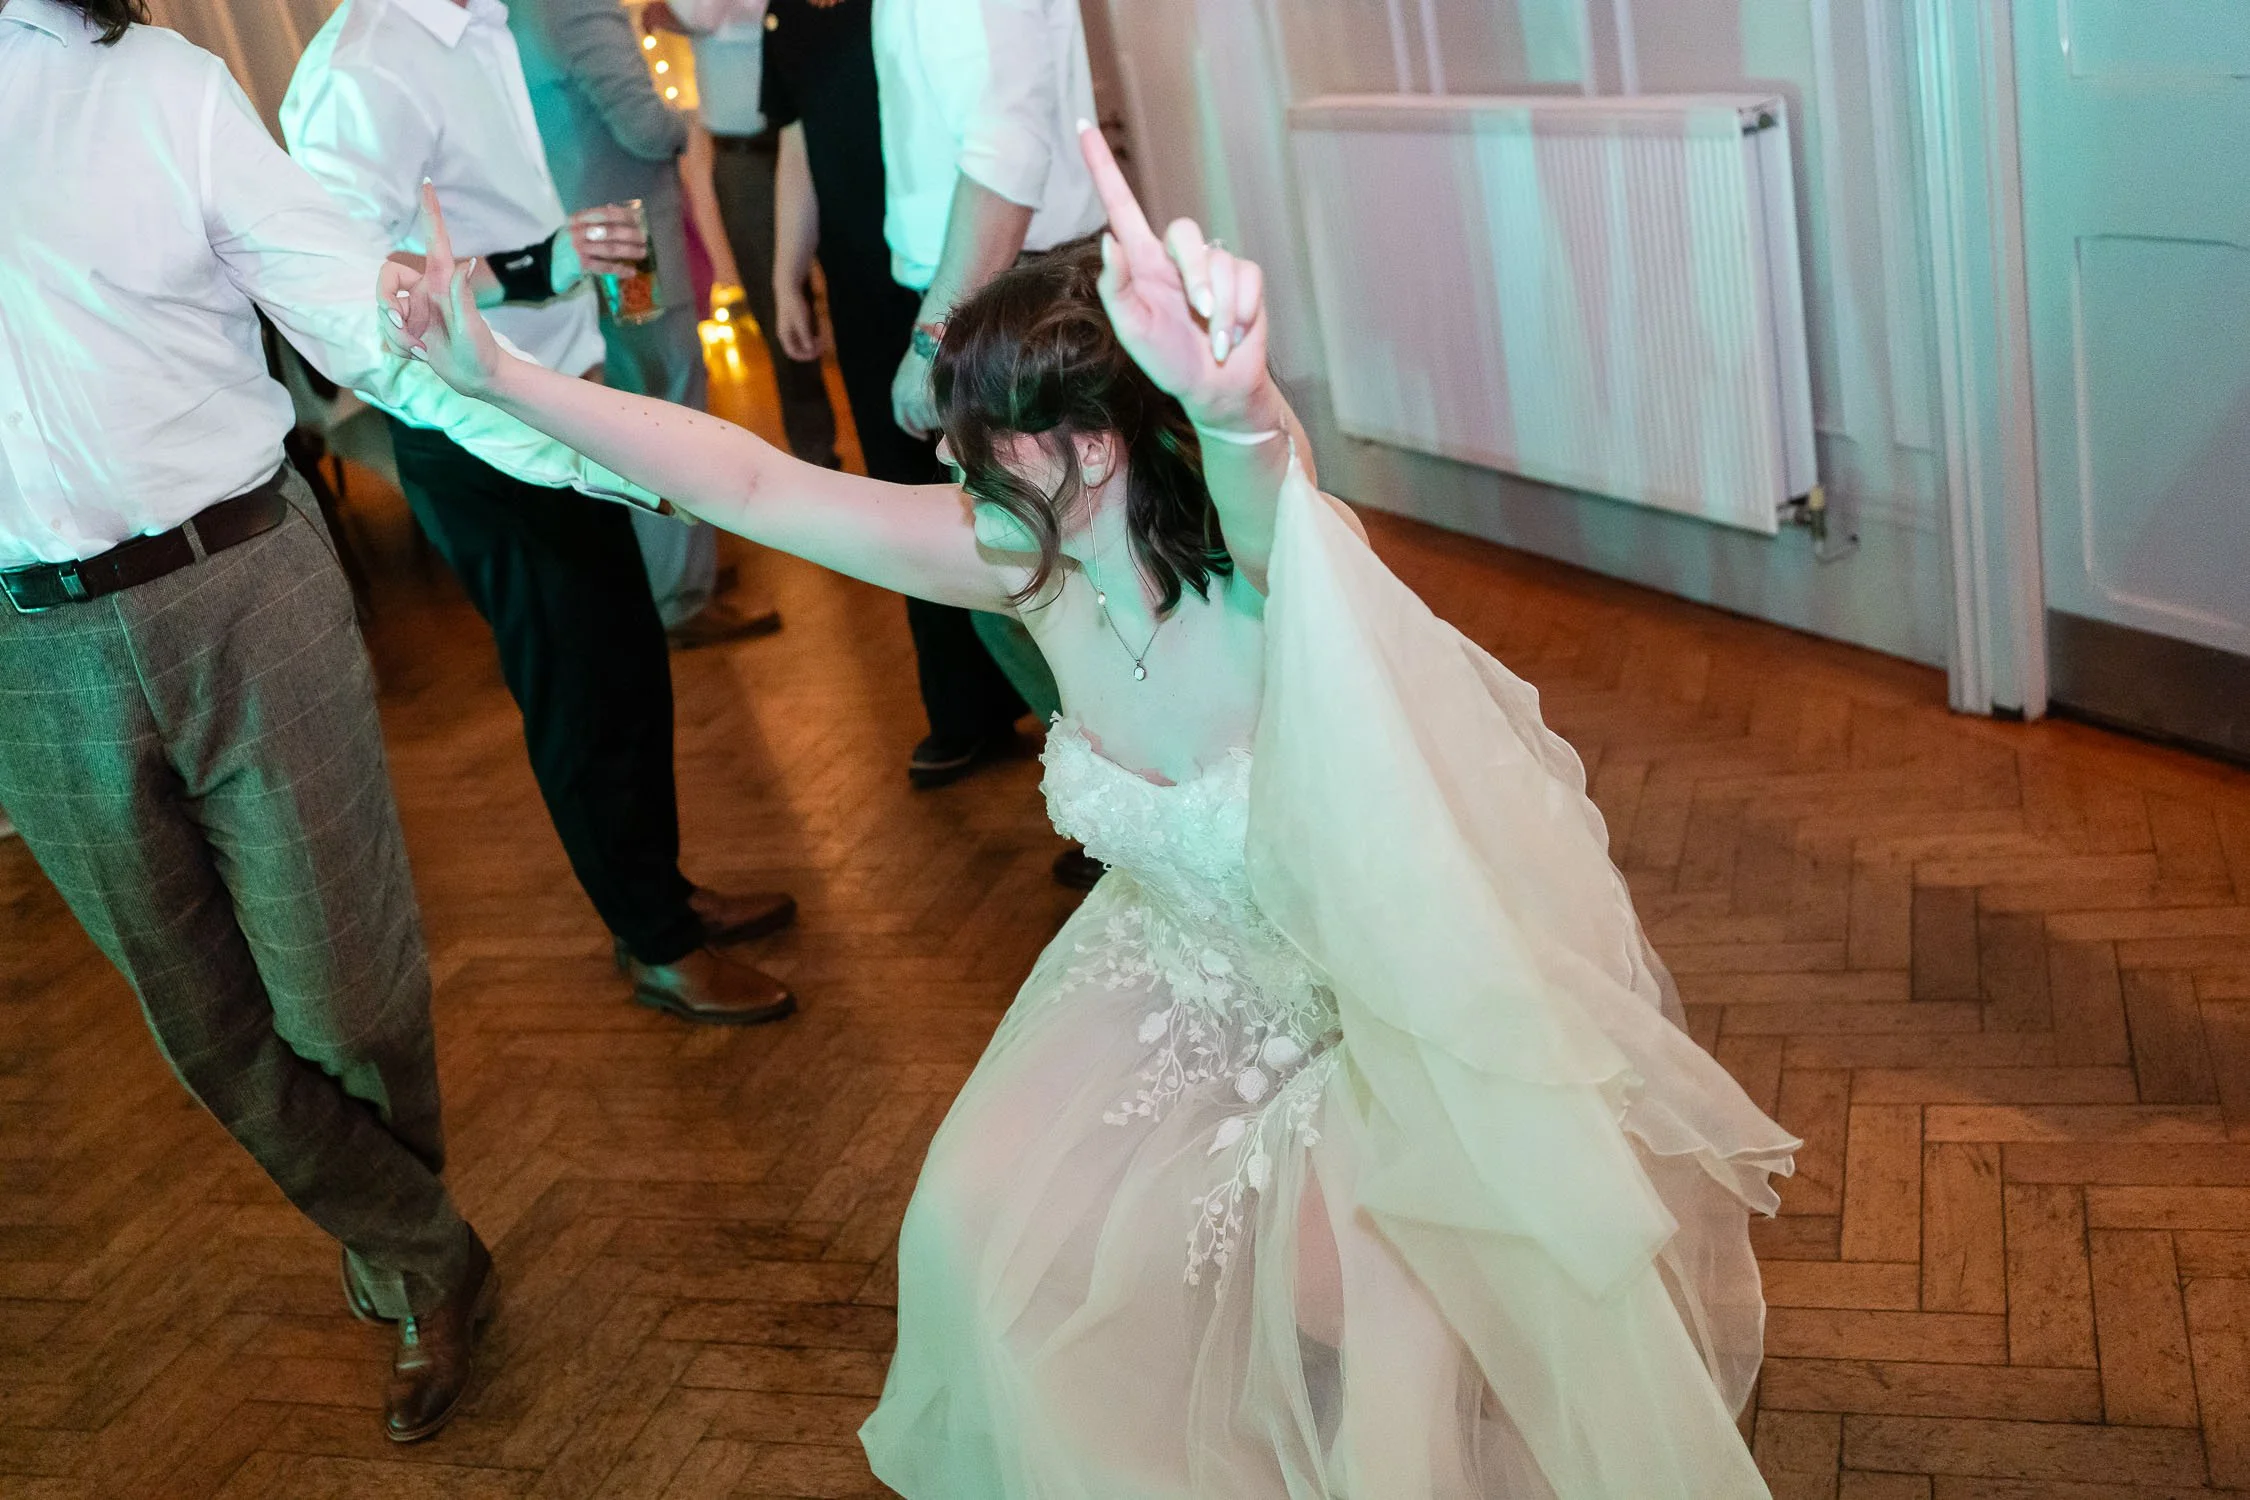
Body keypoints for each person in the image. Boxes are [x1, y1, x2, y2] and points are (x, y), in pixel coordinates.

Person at [384, 123, 1802, 1497]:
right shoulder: (1018, 559)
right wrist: (502, 374)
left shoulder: (1265, 573)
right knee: (969, 1225)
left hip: (1379, 1021)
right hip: (1178, 973)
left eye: (977, 441)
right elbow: (754, 480)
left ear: (1090, 445)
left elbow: (1262, 474)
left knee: (1391, 1374)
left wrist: (1238, 399)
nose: (950, 469)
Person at [0, 0, 659, 1441]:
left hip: (242, 580)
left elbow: (360, 312)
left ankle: (402, 1242)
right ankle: (422, 1256)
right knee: (206, 1024)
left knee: (351, 999)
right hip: (23, 654)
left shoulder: (154, 82)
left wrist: (577, 444)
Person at [283, 0, 802, 1028]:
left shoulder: (479, 26)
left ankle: (659, 891)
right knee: (576, 693)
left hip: (562, 397)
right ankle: (655, 942)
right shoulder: (365, 67)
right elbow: (336, 290)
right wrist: (535, 269)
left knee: (626, 667)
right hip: (480, 431)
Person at [507, 0, 781, 649]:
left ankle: (680, 568)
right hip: (629, 238)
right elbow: (643, 126)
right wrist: (686, 119)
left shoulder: (514, 9)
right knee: (665, 399)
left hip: (586, 223)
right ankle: (680, 595)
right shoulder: (579, 8)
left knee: (643, 396)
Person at [645, 0, 841, 475]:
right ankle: (815, 455)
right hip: (743, 153)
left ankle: (895, 442)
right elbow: (664, 15)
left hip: (819, 133)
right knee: (777, 309)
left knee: (857, 285)